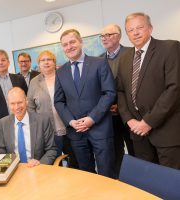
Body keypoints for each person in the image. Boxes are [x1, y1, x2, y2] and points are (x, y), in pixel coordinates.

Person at [117, 12, 180, 169]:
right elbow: (121, 91)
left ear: (150, 29)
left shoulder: (170, 48)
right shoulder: (124, 58)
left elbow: (174, 88)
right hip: (138, 134)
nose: (135, 32)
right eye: (131, 30)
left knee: (171, 184)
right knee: (149, 183)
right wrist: (129, 121)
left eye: (140, 27)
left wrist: (148, 122)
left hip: (166, 133)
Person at [54, 29, 116, 178]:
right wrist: (71, 121)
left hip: (100, 128)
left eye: (72, 42)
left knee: (106, 173)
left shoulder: (99, 63)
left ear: (80, 42)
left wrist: (91, 119)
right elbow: (59, 101)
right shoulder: (61, 72)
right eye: (65, 45)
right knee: (86, 175)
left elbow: (109, 93)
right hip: (76, 132)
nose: (69, 47)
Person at [27, 50, 77, 168]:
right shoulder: (34, 82)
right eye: (42, 60)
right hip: (48, 131)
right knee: (55, 164)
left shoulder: (64, 76)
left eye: (49, 59)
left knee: (75, 161)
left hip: (69, 127)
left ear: (54, 62)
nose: (46, 62)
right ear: (38, 64)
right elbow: (30, 107)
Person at [0, 87, 57, 167]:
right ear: (8, 104)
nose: (16, 107)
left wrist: (39, 164)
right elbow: (3, 149)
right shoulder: (4, 122)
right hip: (13, 169)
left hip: (36, 168)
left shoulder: (43, 121)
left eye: (19, 102)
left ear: (26, 101)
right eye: (12, 103)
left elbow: (51, 150)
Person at [100, 24, 134, 177]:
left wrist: (120, 106)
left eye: (109, 34)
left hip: (130, 114)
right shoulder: (98, 60)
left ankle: (138, 182)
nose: (105, 38)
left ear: (119, 36)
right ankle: (120, 182)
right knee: (114, 151)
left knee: (135, 150)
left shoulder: (132, 53)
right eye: (102, 36)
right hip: (109, 115)